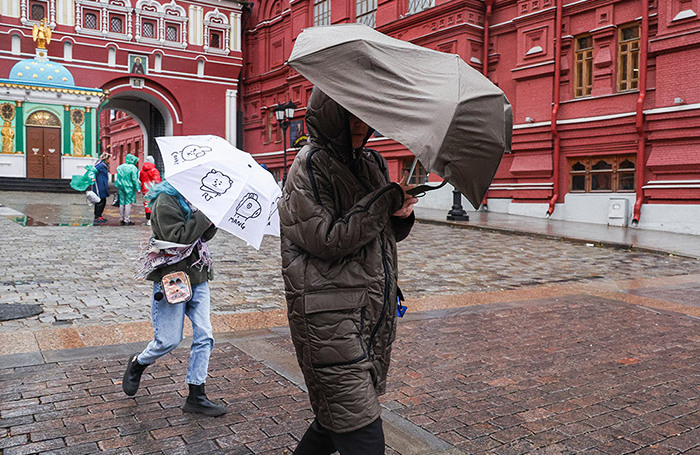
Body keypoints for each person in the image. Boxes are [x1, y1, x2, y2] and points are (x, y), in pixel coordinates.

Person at [278, 87, 418, 454]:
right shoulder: (308, 165)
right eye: (350, 113)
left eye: (364, 113)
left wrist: (400, 213)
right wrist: (386, 199)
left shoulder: (372, 162)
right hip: (328, 317)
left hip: (369, 312)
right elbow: (325, 238)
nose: (360, 123)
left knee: (332, 420)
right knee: (361, 431)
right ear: (331, 115)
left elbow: (379, 232)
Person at [123, 180, 226, 417]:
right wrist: (203, 215)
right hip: (173, 278)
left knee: (205, 335)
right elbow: (177, 238)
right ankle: (139, 363)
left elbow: (203, 235)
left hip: (198, 275)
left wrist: (212, 217)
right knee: (168, 340)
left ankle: (196, 395)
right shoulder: (165, 200)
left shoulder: (195, 199)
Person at [114, 153, 141, 225]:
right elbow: (134, 179)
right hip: (129, 186)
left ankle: (121, 218)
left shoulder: (120, 167)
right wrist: (138, 188)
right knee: (128, 202)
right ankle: (127, 219)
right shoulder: (133, 168)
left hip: (121, 186)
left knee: (122, 202)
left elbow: (118, 178)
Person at [139, 155, 162, 225]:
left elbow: (140, 179)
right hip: (153, 189)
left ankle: (148, 219)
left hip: (144, 189)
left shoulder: (142, 171)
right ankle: (152, 219)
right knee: (153, 203)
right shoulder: (154, 170)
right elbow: (157, 180)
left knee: (147, 204)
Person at [93, 152, 111, 224]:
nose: (110, 160)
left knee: (103, 201)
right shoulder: (100, 165)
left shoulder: (104, 165)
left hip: (102, 185)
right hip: (99, 186)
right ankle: (97, 216)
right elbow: (94, 171)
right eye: (109, 159)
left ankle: (99, 215)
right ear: (106, 159)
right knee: (100, 201)